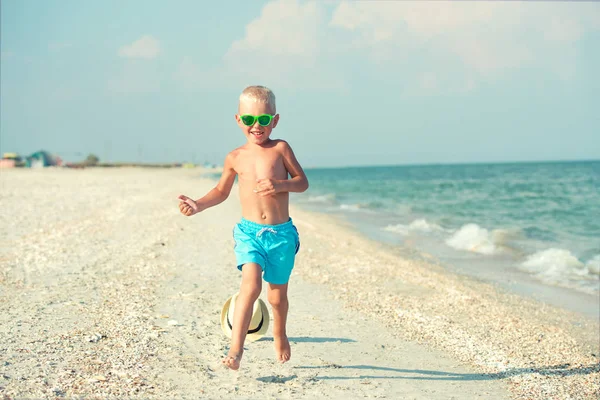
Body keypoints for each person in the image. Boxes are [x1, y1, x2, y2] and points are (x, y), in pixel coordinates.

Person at [177, 85, 309, 370]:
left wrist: (280, 184)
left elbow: (302, 182)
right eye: (249, 120)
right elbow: (221, 191)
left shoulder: (281, 148)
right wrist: (198, 204)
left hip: (281, 235)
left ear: (274, 120)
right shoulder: (235, 157)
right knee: (250, 286)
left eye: (263, 120)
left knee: (277, 297)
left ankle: (279, 332)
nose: (256, 126)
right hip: (249, 233)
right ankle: (235, 350)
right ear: (239, 120)